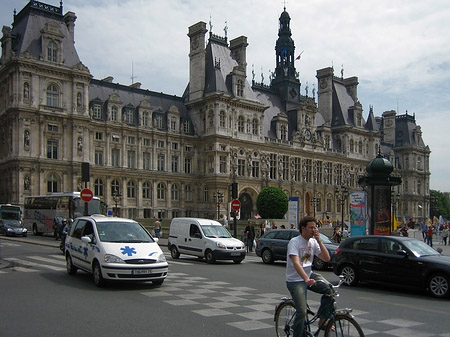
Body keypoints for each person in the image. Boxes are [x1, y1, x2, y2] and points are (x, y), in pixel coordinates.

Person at [286, 216, 334, 336]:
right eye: (311, 227)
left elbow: (326, 258)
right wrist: (306, 279)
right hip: (295, 280)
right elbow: (296, 263)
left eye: (315, 227)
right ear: (303, 228)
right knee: (302, 312)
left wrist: (319, 241)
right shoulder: (294, 242)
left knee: (330, 290)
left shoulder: (313, 242)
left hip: (309, 275)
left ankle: (322, 321)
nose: (314, 230)